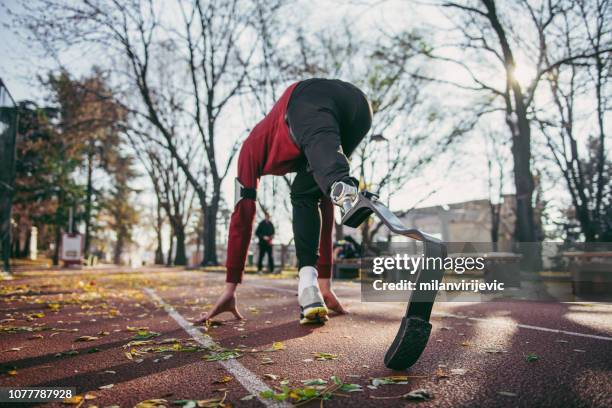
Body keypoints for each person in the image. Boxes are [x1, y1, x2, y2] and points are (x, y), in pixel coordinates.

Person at [201, 78, 372, 325]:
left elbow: (242, 214)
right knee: (308, 192)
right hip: (359, 110)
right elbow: (324, 209)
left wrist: (231, 285)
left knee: (318, 181)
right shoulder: (307, 153)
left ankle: (343, 188)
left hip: (303, 99)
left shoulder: (249, 149)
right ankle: (310, 287)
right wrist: (325, 282)